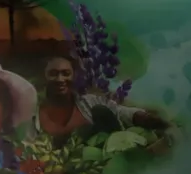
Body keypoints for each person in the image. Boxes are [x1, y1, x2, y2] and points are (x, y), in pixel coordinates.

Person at [37, 55, 177, 149]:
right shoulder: (34, 114)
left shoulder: (89, 102)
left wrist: (162, 124)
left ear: (74, 76)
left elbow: (122, 113)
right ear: (44, 76)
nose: (60, 79)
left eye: (66, 73)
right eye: (53, 74)